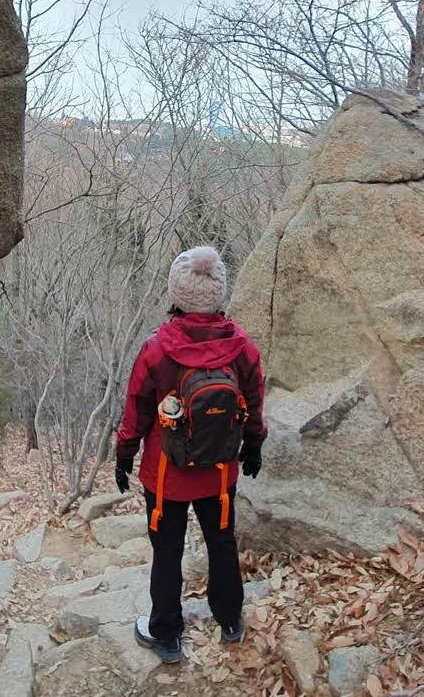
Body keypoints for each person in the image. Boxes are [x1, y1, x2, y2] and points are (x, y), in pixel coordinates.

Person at [114, 245, 266, 663]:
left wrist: (124, 453)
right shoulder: (242, 348)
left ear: (176, 294)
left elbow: (137, 408)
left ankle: (166, 635)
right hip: (220, 471)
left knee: (167, 551)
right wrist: (254, 446)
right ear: (219, 291)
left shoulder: (157, 349)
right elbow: (254, 403)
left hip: (167, 475)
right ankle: (230, 620)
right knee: (222, 542)